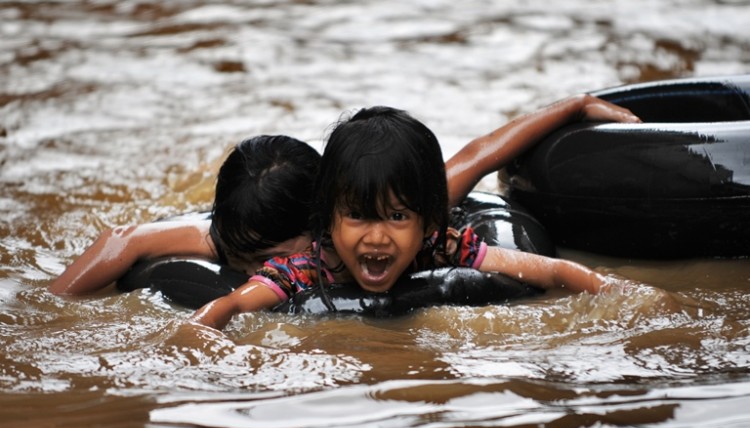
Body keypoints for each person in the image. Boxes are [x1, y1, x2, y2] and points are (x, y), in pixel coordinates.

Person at [48, 94, 640, 296]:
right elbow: (122, 239)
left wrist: (575, 106)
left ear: (325, 224)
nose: (258, 271)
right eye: (246, 263)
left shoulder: (388, 209)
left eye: (266, 259)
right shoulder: (224, 236)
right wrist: (47, 305)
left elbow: (481, 154)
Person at [190, 106, 622, 330]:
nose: (377, 237)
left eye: (396, 216)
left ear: (428, 219)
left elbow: (547, 268)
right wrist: (201, 330)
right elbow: (232, 303)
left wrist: (615, 291)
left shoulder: (440, 242)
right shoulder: (306, 267)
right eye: (358, 217)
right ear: (326, 218)